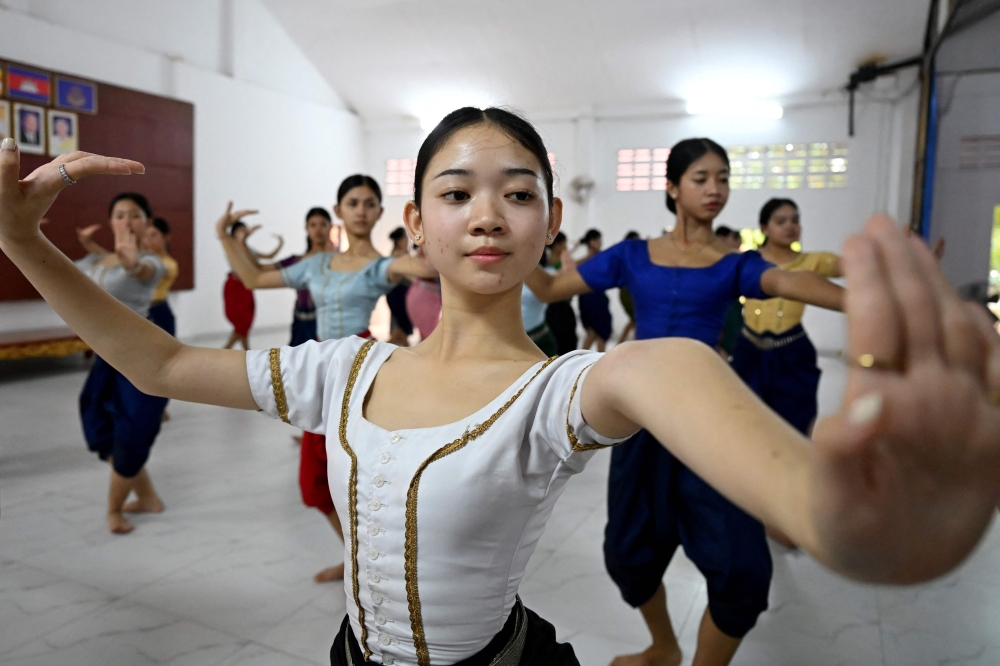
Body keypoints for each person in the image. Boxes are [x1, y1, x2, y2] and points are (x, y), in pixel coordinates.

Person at [2, 121, 999, 666]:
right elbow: (161, 366)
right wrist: (19, 240)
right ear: (415, 229)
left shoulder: (567, 388)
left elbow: (678, 380)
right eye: (456, 190)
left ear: (547, 223)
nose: (487, 212)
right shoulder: (342, 369)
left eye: (517, 191)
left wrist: (871, 529)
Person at [525, 138, 850, 666]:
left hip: (710, 423)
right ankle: (664, 646)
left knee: (742, 569)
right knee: (629, 552)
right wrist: (514, 241)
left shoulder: (733, 264)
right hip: (642, 421)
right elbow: (548, 289)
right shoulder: (631, 256)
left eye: (723, 178)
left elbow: (795, 280)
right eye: (701, 178)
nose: (715, 189)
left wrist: (870, 299)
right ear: (673, 187)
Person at [217, 174, 435, 584]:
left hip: (363, 371)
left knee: (364, 477)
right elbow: (253, 279)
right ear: (339, 210)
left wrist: (427, 227)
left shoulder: (380, 266)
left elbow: (422, 265)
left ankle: (381, 568)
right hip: (319, 372)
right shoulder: (314, 265)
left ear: (377, 212)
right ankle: (357, 560)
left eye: (370, 203)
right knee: (315, 484)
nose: (362, 210)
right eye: (353, 202)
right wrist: (225, 238)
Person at [67, 192, 169, 535]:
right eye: (120, 214)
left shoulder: (152, 263)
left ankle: (114, 510)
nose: (126, 221)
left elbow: (140, 270)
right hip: (104, 361)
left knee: (132, 433)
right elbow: (65, 271)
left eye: (135, 215)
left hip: (139, 363)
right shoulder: (96, 263)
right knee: (100, 427)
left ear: (147, 223)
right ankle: (148, 497)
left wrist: (131, 262)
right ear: (111, 221)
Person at [732, 198, 840, 437]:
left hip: (792, 352)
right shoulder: (748, 262)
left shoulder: (812, 261)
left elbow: (856, 266)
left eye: (795, 220)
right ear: (764, 228)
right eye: (781, 221)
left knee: (794, 427)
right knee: (743, 424)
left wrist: (896, 255)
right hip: (748, 351)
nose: (790, 226)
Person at [268, 207, 333, 347]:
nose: (318, 230)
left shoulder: (338, 262)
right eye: (313, 225)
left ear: (330, 227)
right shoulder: (297, 262)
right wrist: (235, 242)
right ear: (306, 228)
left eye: (323, 224)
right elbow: (259, 271)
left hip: (327, 322)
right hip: (301, 322)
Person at [222, 221, 257, 350]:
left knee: (245, 321)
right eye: (240, 230)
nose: (243, 232)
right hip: (234, 288)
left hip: (246, 286)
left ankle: (228, 348)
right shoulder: (230, 248)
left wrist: (279, 244)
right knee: (240, 321)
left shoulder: (248, 249)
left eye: (244, 230)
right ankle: (246, 351)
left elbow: (259, 261)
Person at [576, 229, 613, 351]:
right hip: (590, 299)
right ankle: (597, 360)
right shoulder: (588, 260)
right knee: (596, 331)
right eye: (598, 240)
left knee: (596, 331)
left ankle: (583, 358)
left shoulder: (600, 258)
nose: (600, 243)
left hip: (596, 297)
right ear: (592, 242)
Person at [544, 232, 578, 355]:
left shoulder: (553, 264)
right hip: (557, 311)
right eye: (564, 245)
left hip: (560, 310)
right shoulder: (553, 267)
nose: (565, 248)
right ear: (557, 245)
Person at [715, 225, 745, 358]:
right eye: (735, 239)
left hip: (732, 307)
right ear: (722, 238)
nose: (738, 244)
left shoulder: (735, 260)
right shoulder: (713, 260)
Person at [386, 226, 415, 346]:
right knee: (400, 326)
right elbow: (407, 275)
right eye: (405, 239)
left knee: (399, 326)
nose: (407, 242)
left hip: (399, 292)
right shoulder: (399, 255)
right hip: (399, 293)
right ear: (398, 241)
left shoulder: (397, 254)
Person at [618, 231, 641, 344]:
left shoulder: (630, 255)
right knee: (636, 320)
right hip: (628, 292)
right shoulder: (629, 256)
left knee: (634, 320)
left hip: (629, 291)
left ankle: (622, 344)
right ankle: (632, 345)